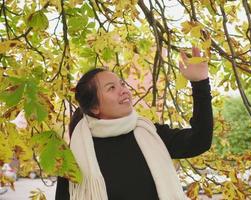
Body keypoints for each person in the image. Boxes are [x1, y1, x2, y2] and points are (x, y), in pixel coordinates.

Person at [55, 47, 213, 200]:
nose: (123, 90)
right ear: (94, 107)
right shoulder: (76, 155)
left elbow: (200, 140)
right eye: (111, 88)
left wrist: (200, 83)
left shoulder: (150, 133)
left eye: (122, 84)